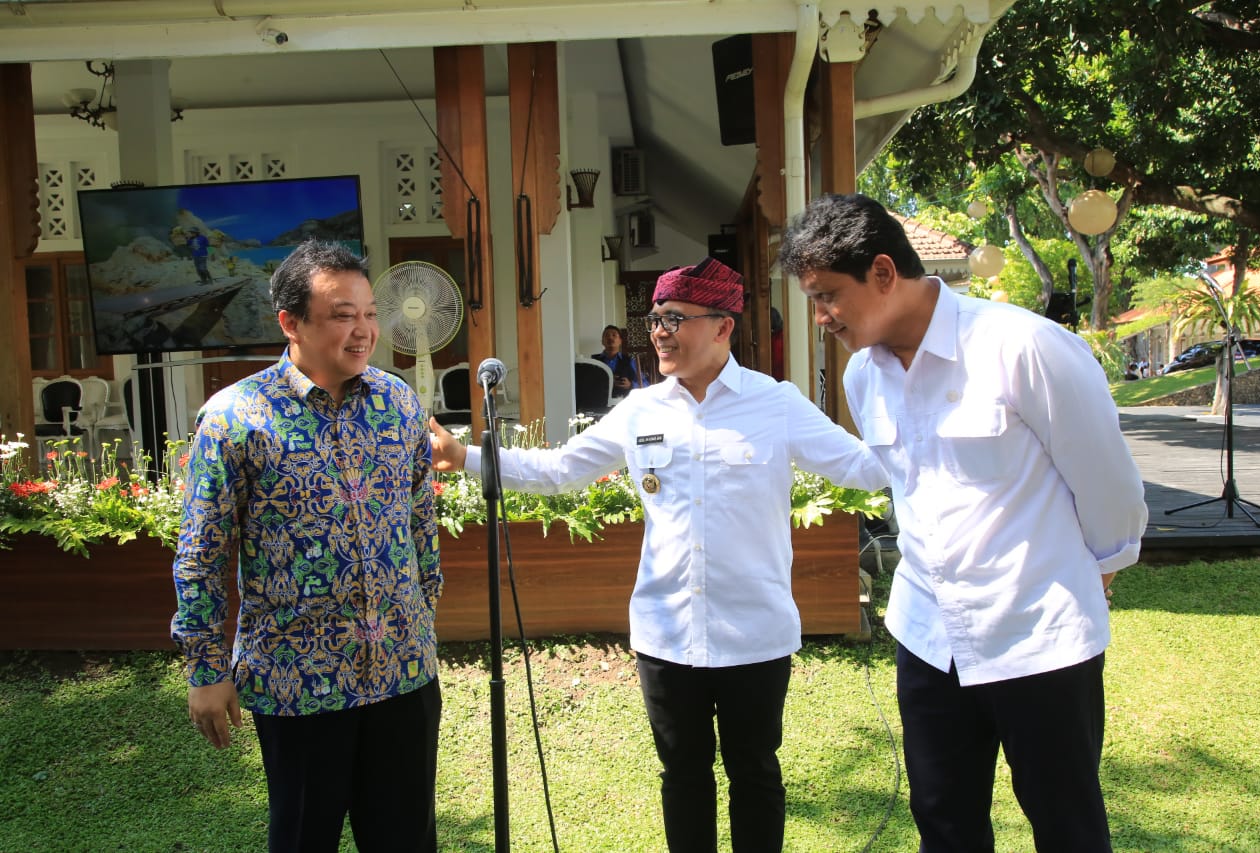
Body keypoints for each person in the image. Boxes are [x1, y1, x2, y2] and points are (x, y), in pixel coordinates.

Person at [430, 257, 886, 852]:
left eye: (675, 318)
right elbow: (565, 468)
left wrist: (922, 417)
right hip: (667, 635)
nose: (660, 332)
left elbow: (862, 465)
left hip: (755, 633)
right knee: (683, 776)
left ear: (722, 326)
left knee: (754, 773)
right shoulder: (641, 410)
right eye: (656, 318)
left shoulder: (776, 403)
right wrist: (468, 457)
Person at [778, 193, 1148, 853]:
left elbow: (1107, 482)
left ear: (884, 272)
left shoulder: (1023, 347)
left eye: (828, 294)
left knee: (1068, 826)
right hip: (929, 637)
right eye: (812, 298)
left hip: (1038, 634)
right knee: (944, 825)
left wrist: (1103, 566)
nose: (821, 316)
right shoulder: (865, 375)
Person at [171, 239, 443, 853]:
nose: (364, 330)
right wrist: (206, 668)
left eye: (370, 313)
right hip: (298, 683)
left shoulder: (398, 402)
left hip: (402, 675)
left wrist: (423, 618)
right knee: (302, 839)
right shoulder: (236, 418)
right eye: (343, 315)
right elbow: (202, 554)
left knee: (407, 840)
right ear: (290, 323)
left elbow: (421, 520)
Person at [593, 323, 647, 397]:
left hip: (624, 403)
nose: (610, 338)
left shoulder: (630, 361)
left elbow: (645, 384)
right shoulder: (594, 361)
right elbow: (588, 385)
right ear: (602, 341)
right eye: (607, 335)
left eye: (614, 335)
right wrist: (607, 382)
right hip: (599, 404)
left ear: (620, 341)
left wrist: (631, 385)